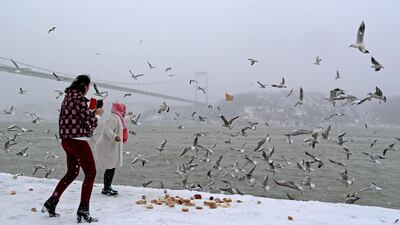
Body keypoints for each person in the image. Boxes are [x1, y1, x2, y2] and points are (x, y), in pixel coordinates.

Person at [42, 75, 104, 223]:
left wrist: (91, 110)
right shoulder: (80, 99)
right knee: (91, 173)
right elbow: (90, 123)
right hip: (78, 141)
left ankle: (52, 202)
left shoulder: (68, 97)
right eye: (88, 87)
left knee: (73, 172)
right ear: (84, 86)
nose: (88, 90)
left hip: (66, 141)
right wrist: (98, 115)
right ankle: (83, 210)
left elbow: (78, 116)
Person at [95, 102, 128, 196]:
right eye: (123, 111)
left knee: (112, 167)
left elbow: (124, 122)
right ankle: (106, 189)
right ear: (119, 110)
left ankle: (108, 187)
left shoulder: (118, 119)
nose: (124, 112)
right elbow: (107, 130)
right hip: (106, 147)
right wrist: (115, 136)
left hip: (110, 147)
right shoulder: (113, 119)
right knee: (110, 167)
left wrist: (130, 117)